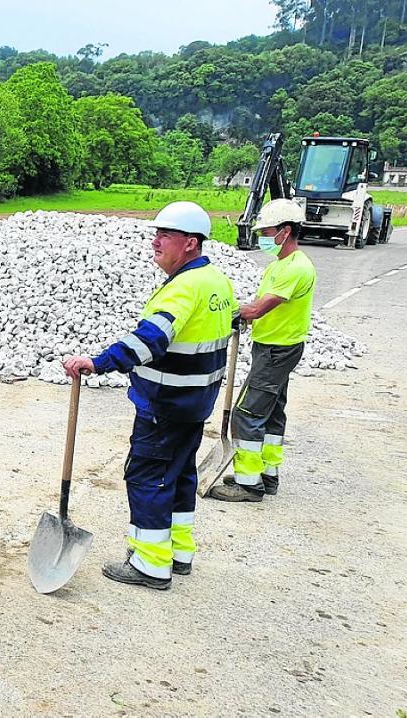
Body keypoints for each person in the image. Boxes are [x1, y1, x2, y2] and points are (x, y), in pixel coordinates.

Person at [63, 201, 236, 590]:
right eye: (156, 234)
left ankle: (150, 564)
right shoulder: (216, 282)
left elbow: (151, 339)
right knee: (179, 475)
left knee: (147, 477)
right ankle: (178, 551)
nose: (155, 242)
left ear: (190, 243)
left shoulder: (183, 289)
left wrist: (99, 362)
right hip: (195, 403)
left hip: (166, 403)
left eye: (165, 235)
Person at [208, 198, 316, 502]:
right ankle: (267, 474)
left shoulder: (296, 268)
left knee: (246, 412)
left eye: (267, 231)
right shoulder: (281, 264)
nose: (264, 237)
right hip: (274, 347)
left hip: (277, 351)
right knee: (272, 412)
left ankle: (248, 483)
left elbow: (258, 309)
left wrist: (230, 312)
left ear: (285, 231)